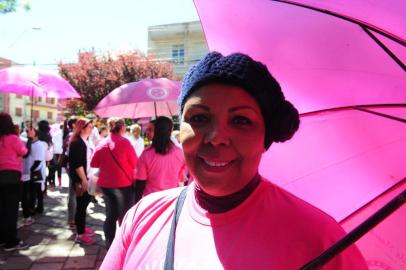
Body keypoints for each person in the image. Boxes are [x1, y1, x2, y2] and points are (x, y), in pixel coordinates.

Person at [100, 52, 368, 269]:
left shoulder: (319, 240)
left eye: (241, 120)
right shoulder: (142, 217)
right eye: (199, 118)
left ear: (266, 136)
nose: (216, 138)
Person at [90, 118, 137, 249]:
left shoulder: (102, 143)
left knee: (110, 215)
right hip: (124, 185)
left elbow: (94, 163)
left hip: (107, 186)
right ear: (122, 128)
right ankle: (124, 245)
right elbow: (135, 163)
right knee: (125, 215)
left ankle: (109, 244)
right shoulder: (125, 143)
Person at [133, 116, 186, 203]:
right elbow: (181, 178)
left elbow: (140, 184)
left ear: (157, 131)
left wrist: (136, 205)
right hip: (172, 201)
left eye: (150, 129)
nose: (146, 132)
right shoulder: (180, 153)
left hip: (151, 201)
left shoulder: (146, 155)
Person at [0, 112, 29, 251]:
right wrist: (29, 138)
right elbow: (24, 152)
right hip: (11, 176)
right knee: (11, 210)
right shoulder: (13, 138)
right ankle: (11, 241)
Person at [68, 117, 96, 245]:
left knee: (84, 205)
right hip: (81, 179)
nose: (92, 129)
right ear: (82, 128)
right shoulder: (77, 143)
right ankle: (80, 234)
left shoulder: (86, 141)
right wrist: (83, 179)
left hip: (89, 177)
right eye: (90, 127)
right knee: (81, 206)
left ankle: (82, 227)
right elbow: (77, 164)